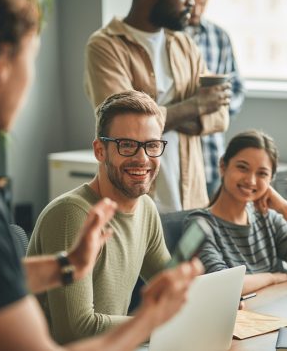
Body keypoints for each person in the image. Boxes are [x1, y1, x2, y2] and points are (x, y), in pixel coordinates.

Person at [0, 0, 202, 350]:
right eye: (33, 58)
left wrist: (67, 265)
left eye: (151, 146)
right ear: (2, 64)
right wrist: (153, 320)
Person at [27, 91, 179, 343]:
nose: (142, 158)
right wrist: (160, 324)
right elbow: (76, 329)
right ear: (100, 150)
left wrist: (211, 304)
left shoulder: (146, 208)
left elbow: (169, 282)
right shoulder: (72, 214)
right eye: (127, 145)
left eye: (152, 145)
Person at [84, 0, 231, 213]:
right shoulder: (105, 46)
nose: (191, 1)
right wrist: (197, 104)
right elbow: (123, 127)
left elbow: (220, 115)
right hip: (133, 204)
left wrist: (165, 116)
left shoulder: (186, 45)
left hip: (191, 202)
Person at [185, 130, 287, 295]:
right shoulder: (200, 223)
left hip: (276, 314)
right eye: (242, 168)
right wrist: (271, 278)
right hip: (242, 318)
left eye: (262, 174)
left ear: (270, 180)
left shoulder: (268, 219)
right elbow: (223, 286)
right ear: (223, 166)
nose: (251, 180)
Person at [186, 0, 245, 197]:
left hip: (211, 157)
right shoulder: (165, 36)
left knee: (207, 228)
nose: (197, 10)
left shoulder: (219, 37)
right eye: (193, 3)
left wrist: (215, 111)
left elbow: (237, 89)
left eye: (203, 3)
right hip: (174, 157)